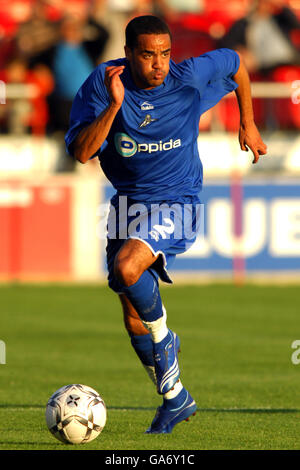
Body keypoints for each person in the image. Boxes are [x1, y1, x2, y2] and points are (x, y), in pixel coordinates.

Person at [65, 15, 267, 434]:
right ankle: (175, 398)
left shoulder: (187, 77)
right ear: (127, 54)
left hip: (179, 202)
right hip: (128, 205)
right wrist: (115, 105)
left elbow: (235, 62)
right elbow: (83, 153)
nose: (159, 64)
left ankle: (165, 341)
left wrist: (247, 120)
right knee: (132, 312)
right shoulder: (103, 84)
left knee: (126, 268)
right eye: (147, 55)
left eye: (165, 53)